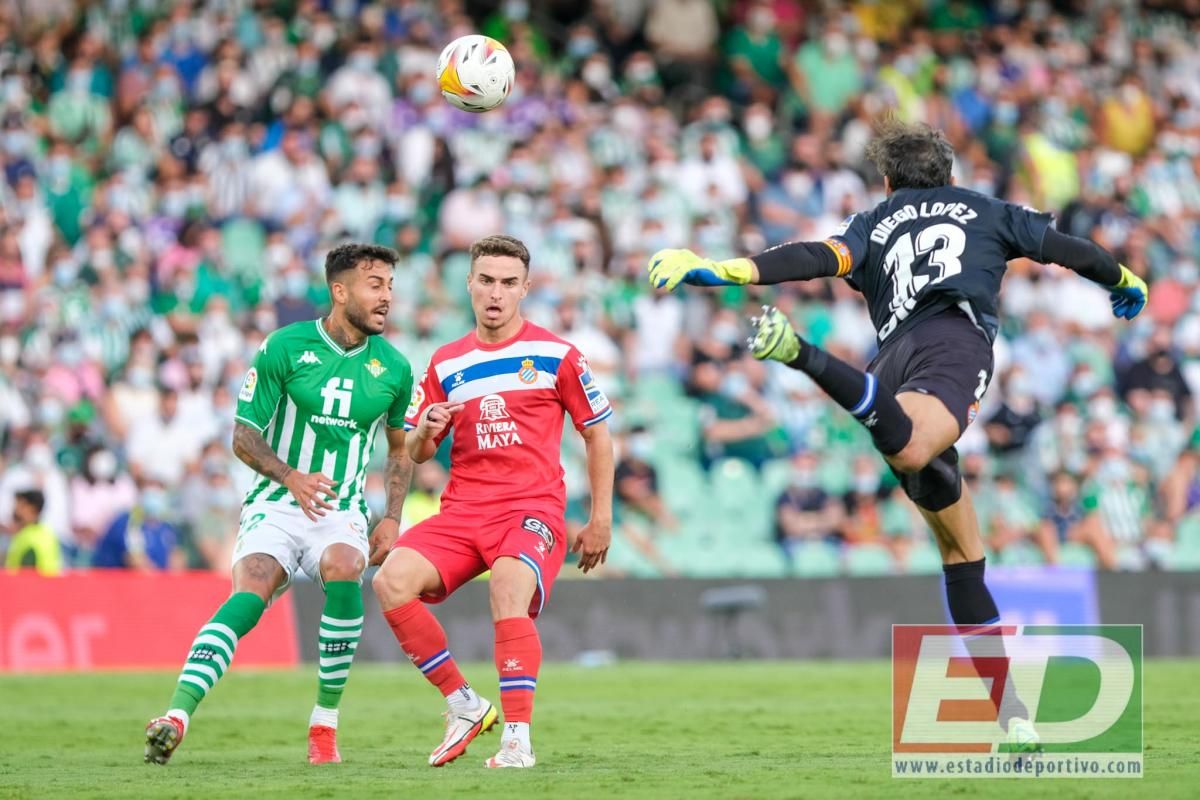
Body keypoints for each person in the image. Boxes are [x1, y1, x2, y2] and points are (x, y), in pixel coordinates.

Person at [648, 118, 1149, 750]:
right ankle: (799, 352)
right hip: (952, 341)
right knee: (915, 444)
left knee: (961, 554)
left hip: (892, 364)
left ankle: (1014, 718)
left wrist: (723, 269)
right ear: (949, 174)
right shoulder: (986, 209)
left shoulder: (871, 223)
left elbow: (812, 258)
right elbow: (1068, 248)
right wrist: (1122, 279)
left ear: (887, 181)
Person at [144, 243, 416, 766]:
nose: (386, 297)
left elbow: (399, 451)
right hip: (276, 500)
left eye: (389, 286)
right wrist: (291, 476)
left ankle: (324, 727)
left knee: (344, 566)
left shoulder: (395, 368)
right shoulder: (284, 348)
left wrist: (392, 517)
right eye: (375, 285)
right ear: (340, 291)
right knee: (254, 585)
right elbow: (243, 436)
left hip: (341, 510)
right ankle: (176, 714)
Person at [372, 234, 614, 770]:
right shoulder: (445, 361)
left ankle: (517, 741)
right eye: (486, 281)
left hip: (531, 509)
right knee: (391, 582)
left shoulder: (558, 354)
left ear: (526, 288)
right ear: (470, 284)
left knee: (507, 586)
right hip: (461, 512)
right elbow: (415, 447)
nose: (496, 293)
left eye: (508, 283)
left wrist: (601, 518)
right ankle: (464, 706)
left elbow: (597, 434)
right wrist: (426, 431)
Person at [4, 490, 62, 575]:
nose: (15, 510)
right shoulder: (47, 534)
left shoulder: (29, 541)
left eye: (21, 506)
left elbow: (26, 579)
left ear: (32, 509)